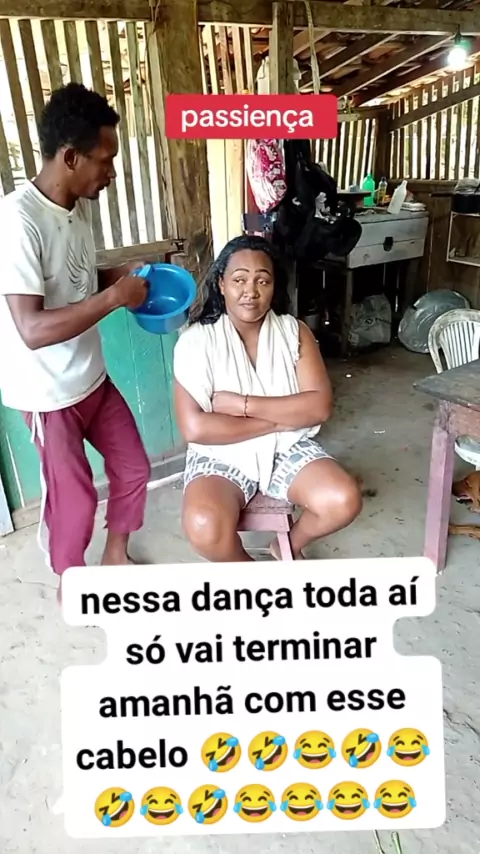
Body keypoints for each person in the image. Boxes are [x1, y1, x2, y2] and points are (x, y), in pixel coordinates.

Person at [0, 83, 151, 590]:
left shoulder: (77, 207)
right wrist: (115, 298)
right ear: (70, 157)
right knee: (75, 501)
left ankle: (115, 557)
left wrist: (120, 277)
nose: (111, 173)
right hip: (48, 396)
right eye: (105, 161)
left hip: (91, 378)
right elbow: (31, 328)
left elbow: (77, 281)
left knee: (133, 468)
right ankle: (72, 580)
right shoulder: (17, 221)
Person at [173, 234, 362, 561]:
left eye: (263, 280)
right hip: (220, 454)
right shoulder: (196, 341)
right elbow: (196, 429)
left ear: (275, 287)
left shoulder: (294, 332)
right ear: (221, 284)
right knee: (204, 526)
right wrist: (278, 421)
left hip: (286, 447)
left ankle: (288, 544)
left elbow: (318, 407)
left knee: (342, 500)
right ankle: (257, 580)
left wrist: (241, 405)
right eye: (239, 280)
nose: (251, 291)